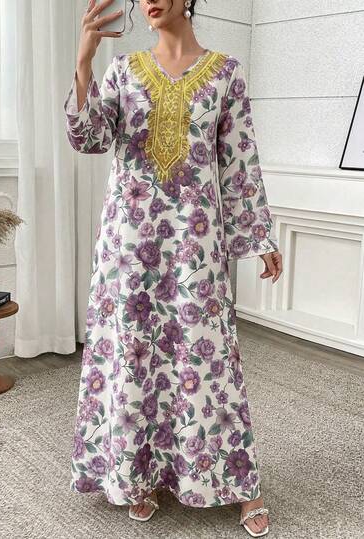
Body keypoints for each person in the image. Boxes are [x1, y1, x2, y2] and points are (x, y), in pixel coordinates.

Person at [63, 0, 283, 536]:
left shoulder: (225, 74)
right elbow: (89, 139)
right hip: (128, 243)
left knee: (206, 356)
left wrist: (257, 235)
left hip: (194, 242)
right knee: (135, 354)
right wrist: (84, 61)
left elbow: (238, 161)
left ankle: (241, 484)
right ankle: (141, 473)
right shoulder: (123, 71)